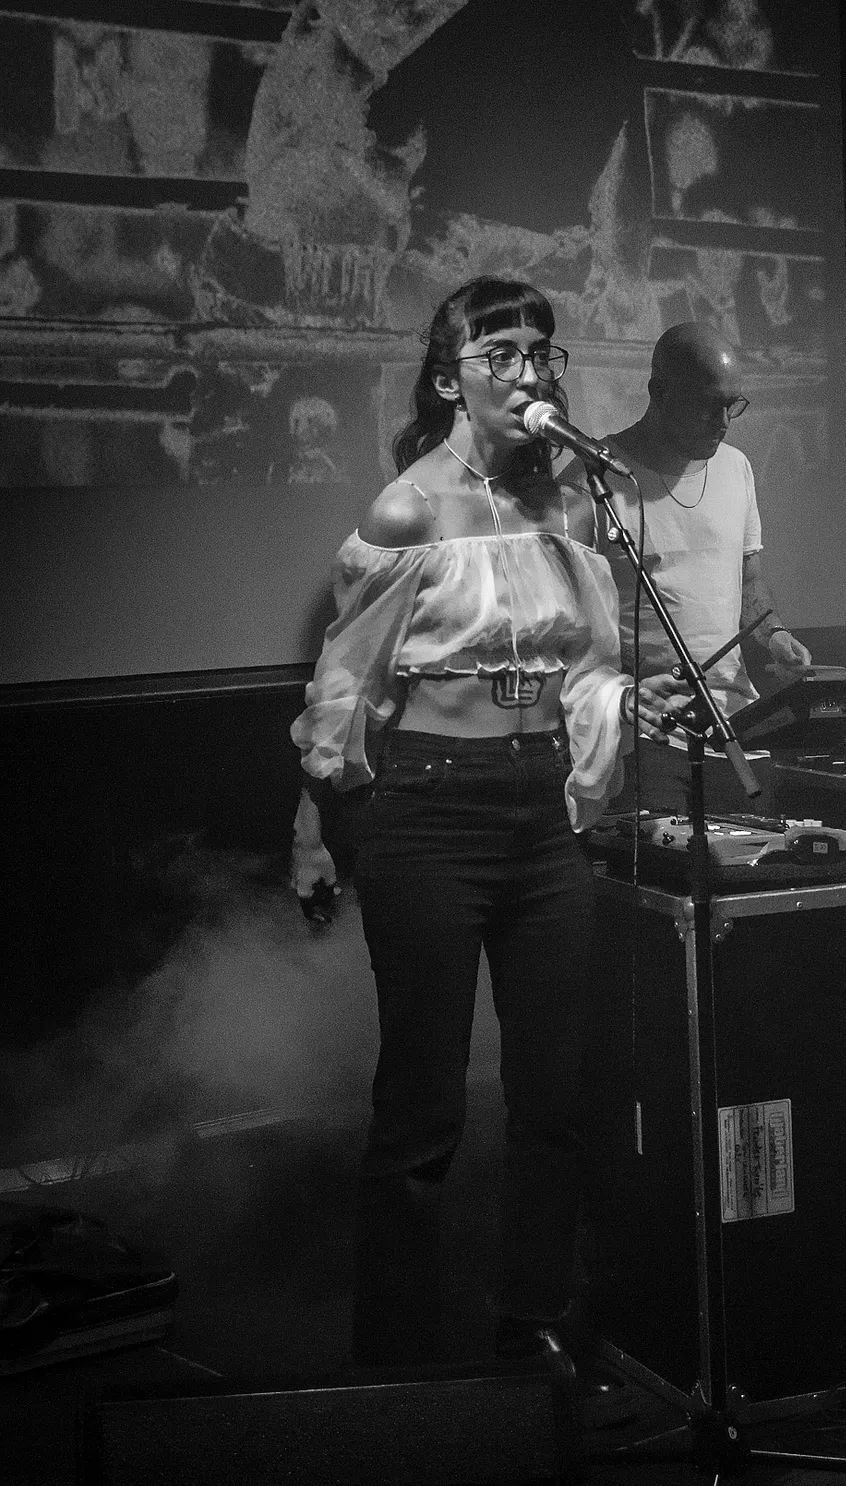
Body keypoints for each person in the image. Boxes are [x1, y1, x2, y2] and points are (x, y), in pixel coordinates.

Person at [289, 276, 686, 1372]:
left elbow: (588, 668)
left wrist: (626, 702)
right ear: (447, 380)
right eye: (500, 353)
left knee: (555, 1098)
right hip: (429, 808)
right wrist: (315, 824)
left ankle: (533, 1327)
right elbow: (345, 688)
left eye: (541, 352)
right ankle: (399, 1365)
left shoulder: (572, 509)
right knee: (423, 1110)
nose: (527, 373)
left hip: (540, 810)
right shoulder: (408, 511)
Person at [564, 321, 811, 815]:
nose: (723, 421)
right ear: (659, 391)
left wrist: (776, 635)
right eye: (708, 405)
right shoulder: (593, 481)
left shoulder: (736, 467)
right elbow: (566, 622)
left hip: (737, 727)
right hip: (650, 734)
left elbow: (749, 579)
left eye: (732, 405)